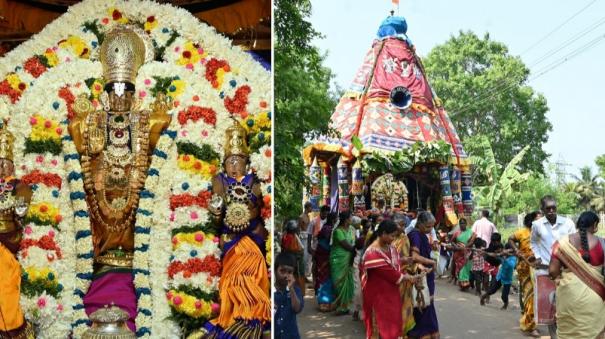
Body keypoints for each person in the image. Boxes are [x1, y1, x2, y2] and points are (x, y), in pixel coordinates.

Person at [69, 26, 172, 330]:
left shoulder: (146, 120)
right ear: (104, 92)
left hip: (136, 216)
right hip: (99, 223)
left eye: (125, 90)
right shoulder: (91, 122)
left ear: (133, 92)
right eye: (113, 89)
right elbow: (80, 148)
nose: (119, 97)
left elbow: (155, 142)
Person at [206, 120, 270, 337]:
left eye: (238, 160)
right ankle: (234, 316)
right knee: (231, 281)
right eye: (230, 161)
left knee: (255, 272)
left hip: (252, 238)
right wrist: (216, 212)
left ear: (246, 161)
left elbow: (261, 207)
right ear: (224, 163)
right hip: (231, 239)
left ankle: (252, 315)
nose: (234, 165)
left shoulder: (255, 181)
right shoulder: (219, 181)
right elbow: (216, 213)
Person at [0, 122, 34, 339]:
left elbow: (21, 211)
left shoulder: (19, 185)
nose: (2, 167)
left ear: (12, 165)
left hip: (8, 240)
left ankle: (10, 327)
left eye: (5, 163)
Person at [548, 211, 605, 339]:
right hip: (595, 295)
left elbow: (552, 271)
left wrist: (558, 278)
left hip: (568, 295)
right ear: (595, 225)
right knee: (593, 332)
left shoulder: (562, 243)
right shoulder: (603, 243)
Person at [362, 220, 417, 338]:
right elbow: (389, 272)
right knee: (380, 326)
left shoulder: (390, 247)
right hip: (378, 296)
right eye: (392, 235)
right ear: (383, 234)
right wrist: (408, 277)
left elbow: (393, 262)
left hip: (391, 293)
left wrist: (404, 260)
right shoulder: (372, 252)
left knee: (393, 324)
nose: (393, 238)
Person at [530, 195, 576, 338]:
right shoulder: (537, 225)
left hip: (566, 270)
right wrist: (537, 256)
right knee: (550, 305)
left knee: (566, 304)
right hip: (545, 269)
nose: (551, 211)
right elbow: (534, 242)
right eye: (547, 208)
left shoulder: (567, 223)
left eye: (553, 208)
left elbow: (574, 242)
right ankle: (554, 336)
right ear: (542, 210)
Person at [509, 211, 542, 337]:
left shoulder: (542, 233)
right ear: (531, 220)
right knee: (531, 295)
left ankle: (528, 317)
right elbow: (510, 239)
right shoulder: (522, 232)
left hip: (539, 268)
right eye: (538, 219)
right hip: (524, 268)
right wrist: (516, 250)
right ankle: (530, 326)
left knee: (535, 296)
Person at [408, 211, 440, 339]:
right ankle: (425, 333)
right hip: (421, 274)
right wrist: (430, 261)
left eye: (432, 226)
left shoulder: (421, 234)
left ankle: (430, 332)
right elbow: (414, 256)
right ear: (419, 224)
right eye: (427, 226)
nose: (430, 229)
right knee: (424, 304)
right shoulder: (415, 235)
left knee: (427, 304)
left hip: (426, 273)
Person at [392, 212, 416, 335]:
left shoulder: (405, 238)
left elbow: (408, 257)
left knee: (404, 305)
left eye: (403, 225)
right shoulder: (386, 239)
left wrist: (412, 268)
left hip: (404, 277)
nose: (402, 228)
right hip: (390, 278)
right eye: (399, 225)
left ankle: (401, 332)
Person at [330, 211, 356, 315]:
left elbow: (354, 242)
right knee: (338, 282)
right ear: (346, 220)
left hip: (348, 258)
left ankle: (345, 306)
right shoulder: (338, 231)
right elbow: (346, 245)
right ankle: (340, 304)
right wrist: (357, 249)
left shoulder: (351, 230)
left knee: (349, 281)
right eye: (351, 218)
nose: (352, 220)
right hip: (338, 259)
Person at [274, 252, 304, 339]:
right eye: (282, 271)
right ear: (276, 270)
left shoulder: (296, 290)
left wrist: (291, 289)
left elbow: (297, 309)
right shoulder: (271, 291)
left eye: (289, 272)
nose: (286, 275)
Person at [480, 243, 517, 309]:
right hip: (500, 276)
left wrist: (504, 258)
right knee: (492, 290)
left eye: (510, 250)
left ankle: (505, 304)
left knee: (504, 296)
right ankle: (483, 297)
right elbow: (495, 255)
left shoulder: (513, 258)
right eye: (507, 250)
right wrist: (486, 253)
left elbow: (511, 266)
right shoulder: (503, 255)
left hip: (507, 279)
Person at [314, 213, 337, 311]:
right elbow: (330, 242)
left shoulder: (325, 227)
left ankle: (324, 302)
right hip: (325, 256)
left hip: (321, 256)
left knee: (322, 278)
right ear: (333, 220)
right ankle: (325, 303)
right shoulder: (329, 229)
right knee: (326, 279)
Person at [281, 220, 306, 295]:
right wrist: (298, 253)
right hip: (295, 260)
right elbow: (289, 249)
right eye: (297, 227)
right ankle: (299, 293)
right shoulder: (289, 237)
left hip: (293, 259)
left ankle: (297, 292)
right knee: (297, 276)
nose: (298, 229)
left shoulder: (289, 236)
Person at [452, 218, 476, 291]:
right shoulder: (457, 233)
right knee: (460, 269)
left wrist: (465, 247)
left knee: (466, 269)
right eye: (461, 223)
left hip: (467, 254)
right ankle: (462, 284)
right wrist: (456, 246)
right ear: (459, 224)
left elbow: (472, 242)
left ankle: (466, 284)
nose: (462, 225)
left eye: (463, 223)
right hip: (459, 254)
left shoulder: (471, 232)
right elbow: (452, 241)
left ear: (466, 224)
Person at [350, 216, 364, 321]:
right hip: (357, 264)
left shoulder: (367, 238)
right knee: (358, 288)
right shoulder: (360, 239)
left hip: (363, 266)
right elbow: (354, 251)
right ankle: (356, 310)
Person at [298, 202, 313, 281]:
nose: (312, 209)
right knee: (304, 257)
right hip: (303, 238)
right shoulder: (301, 217)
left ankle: (305, 275)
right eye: (311, 207)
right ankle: (302, 276)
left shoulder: (308, 216)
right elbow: (298, 228)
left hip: (308, 238)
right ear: (307, 207)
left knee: (308, 258)